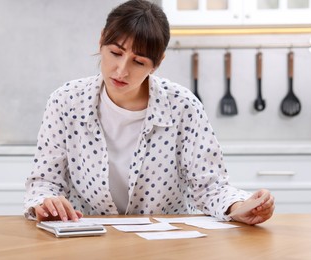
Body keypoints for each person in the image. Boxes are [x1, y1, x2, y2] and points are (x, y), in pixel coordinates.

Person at [24, 0, 274, 225]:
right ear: (101, 40)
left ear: (158, 63)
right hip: (88, 237)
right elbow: (45, 182)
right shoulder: (66, 101)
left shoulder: (183, 105)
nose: (121, 71)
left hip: (167, 242)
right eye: (115, 53)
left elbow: (209, 186)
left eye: (139, 61)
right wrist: (46, 202)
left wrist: (239, 207)